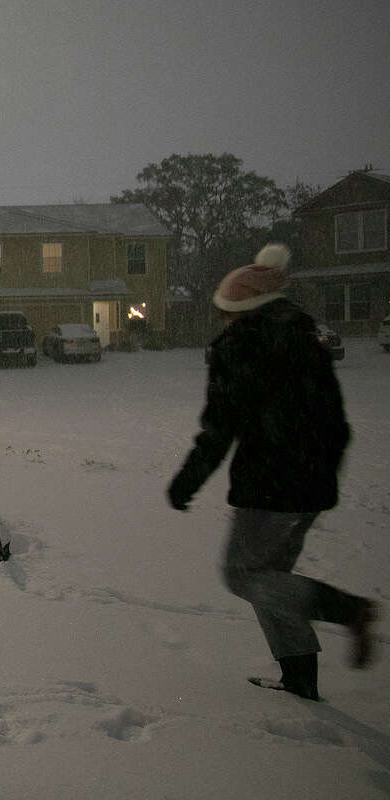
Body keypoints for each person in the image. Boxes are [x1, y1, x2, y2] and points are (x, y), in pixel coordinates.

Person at [167, 243, 378, 700]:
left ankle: (348, 609)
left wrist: (187, 480)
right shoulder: (307, 339)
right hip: (313, 485)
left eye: (227, 311)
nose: (223, 319)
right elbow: (337, 422)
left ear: (243, 309)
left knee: (243, 576)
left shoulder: (240, 348)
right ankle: (299, 681)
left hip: (270, 487)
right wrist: (322, 476)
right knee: (272, 582)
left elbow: (219, 429)